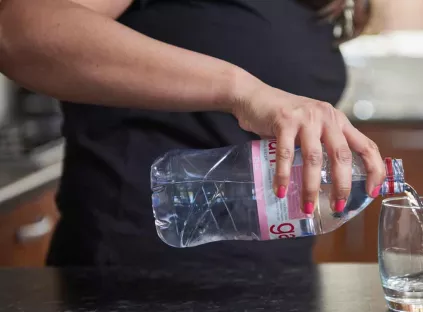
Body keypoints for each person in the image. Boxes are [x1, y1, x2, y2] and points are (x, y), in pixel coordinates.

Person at [0, 0, 385, 268]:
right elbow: (19, 30)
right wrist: (242, 90)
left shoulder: (330, 8)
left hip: (275, 293)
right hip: (137, 289)